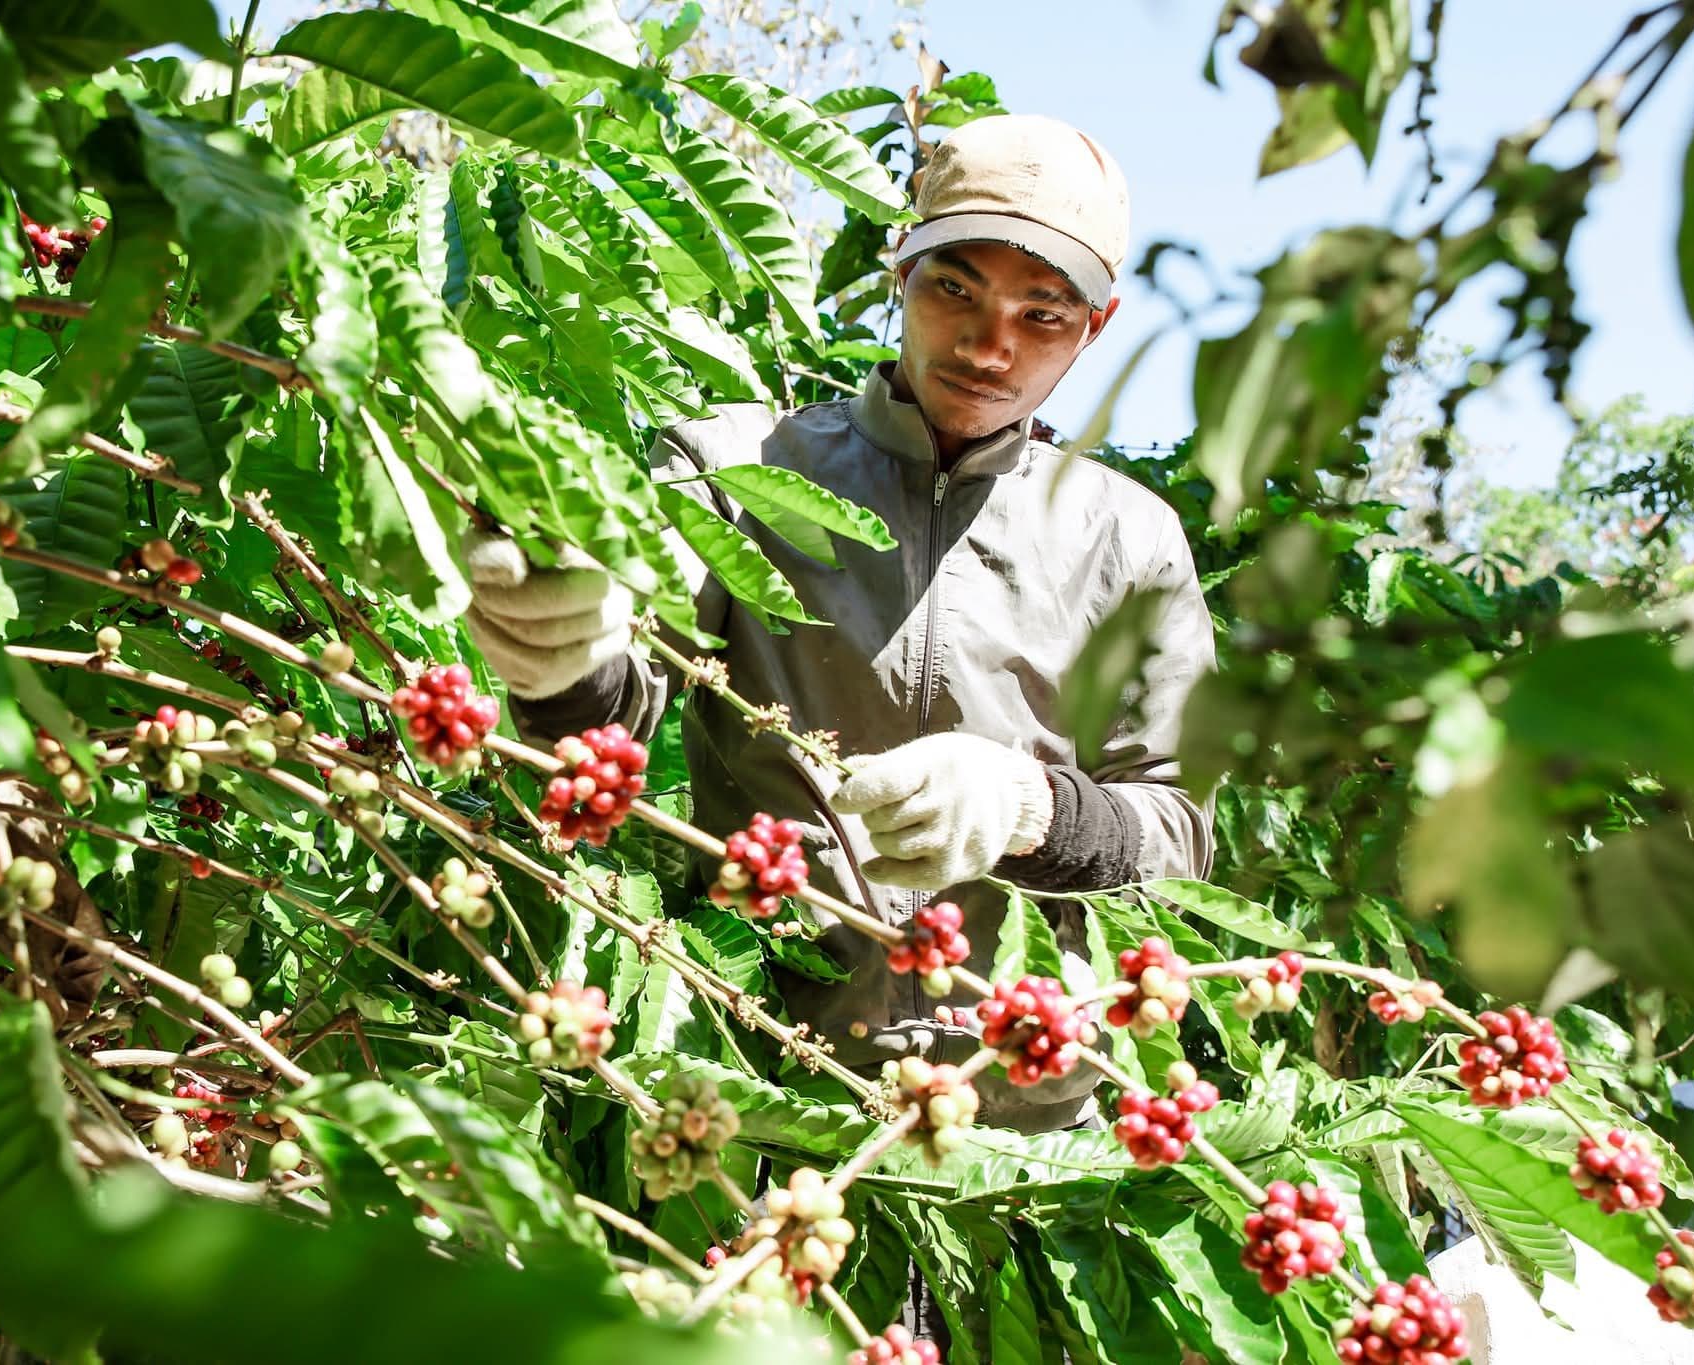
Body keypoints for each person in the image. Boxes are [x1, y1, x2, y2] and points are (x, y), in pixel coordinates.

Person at [464, 114, 1217, 1137]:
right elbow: (610, 724)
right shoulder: (739, 468)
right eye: (954, 287)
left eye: (1041, 315)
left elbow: (1177, 836)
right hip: (761, 1096)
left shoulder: (1127, 542)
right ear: (894, 268)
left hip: (1022, 1124)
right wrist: (559, 654)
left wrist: (1030, 810)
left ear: (1096, 325)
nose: (989, 344)